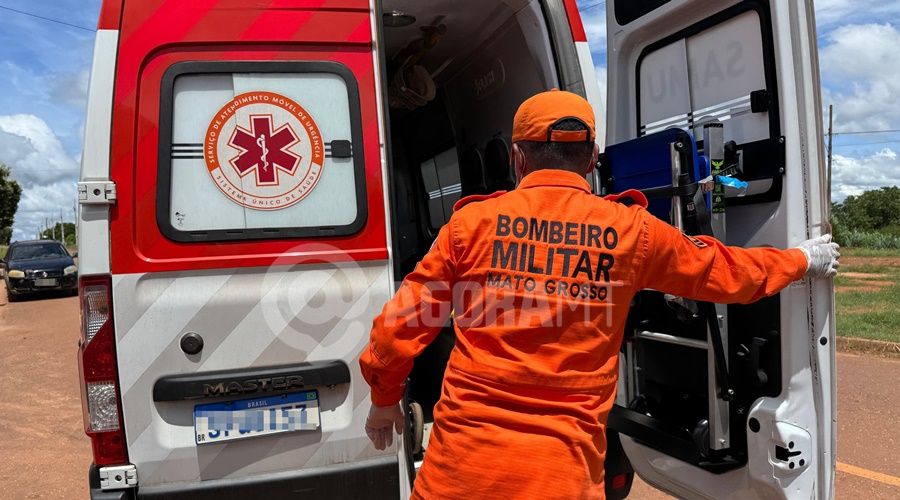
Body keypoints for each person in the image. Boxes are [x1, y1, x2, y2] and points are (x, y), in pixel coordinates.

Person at [359, 89, 840, 499]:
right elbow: (724, 274)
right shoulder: (631, 231)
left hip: (459, 474)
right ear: (592, 158)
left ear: (516, 157)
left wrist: (384, 399)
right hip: (562, 476)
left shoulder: (470, 225)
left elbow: (401, 325)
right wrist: (801, 260)